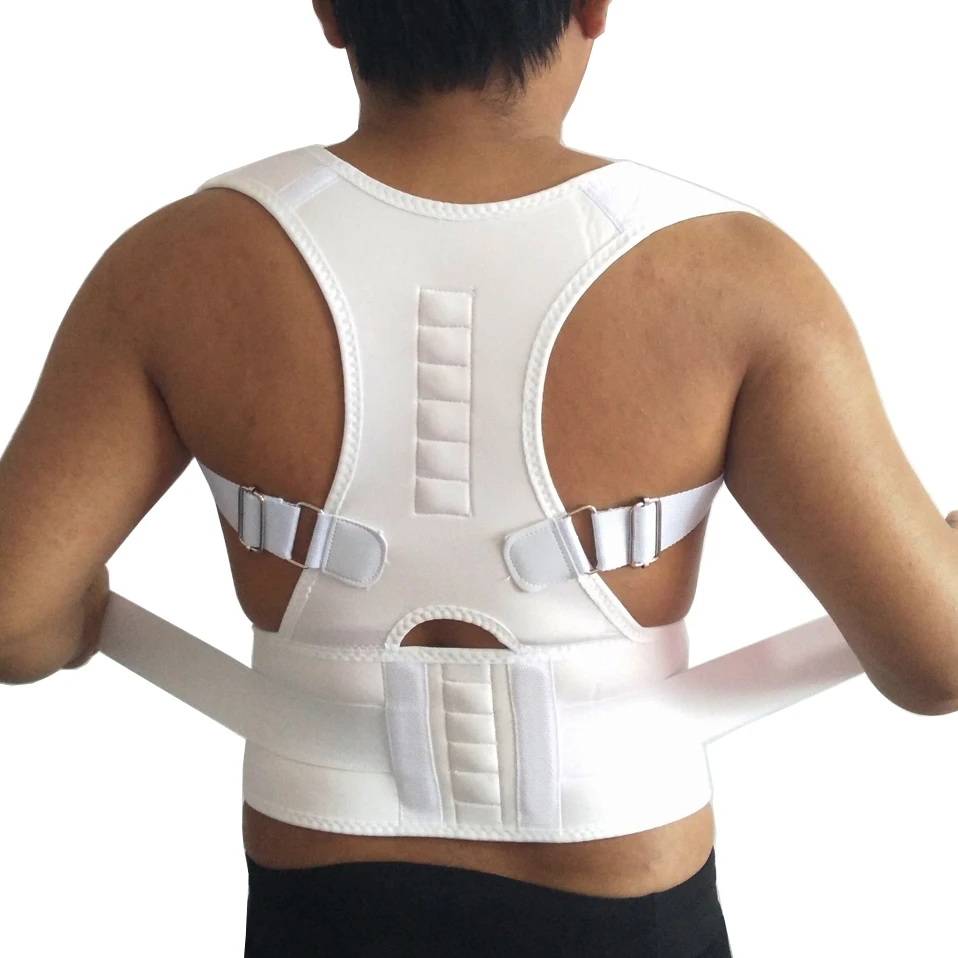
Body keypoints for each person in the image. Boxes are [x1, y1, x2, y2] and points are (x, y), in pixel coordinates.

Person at [2, 1, 958, 956]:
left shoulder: (176, 266)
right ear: (592, 7)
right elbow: (937, 661)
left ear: (330, 12)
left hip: (323, 901)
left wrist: (81, 619)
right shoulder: (734, 276)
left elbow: (11, 622)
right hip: (625, 893)